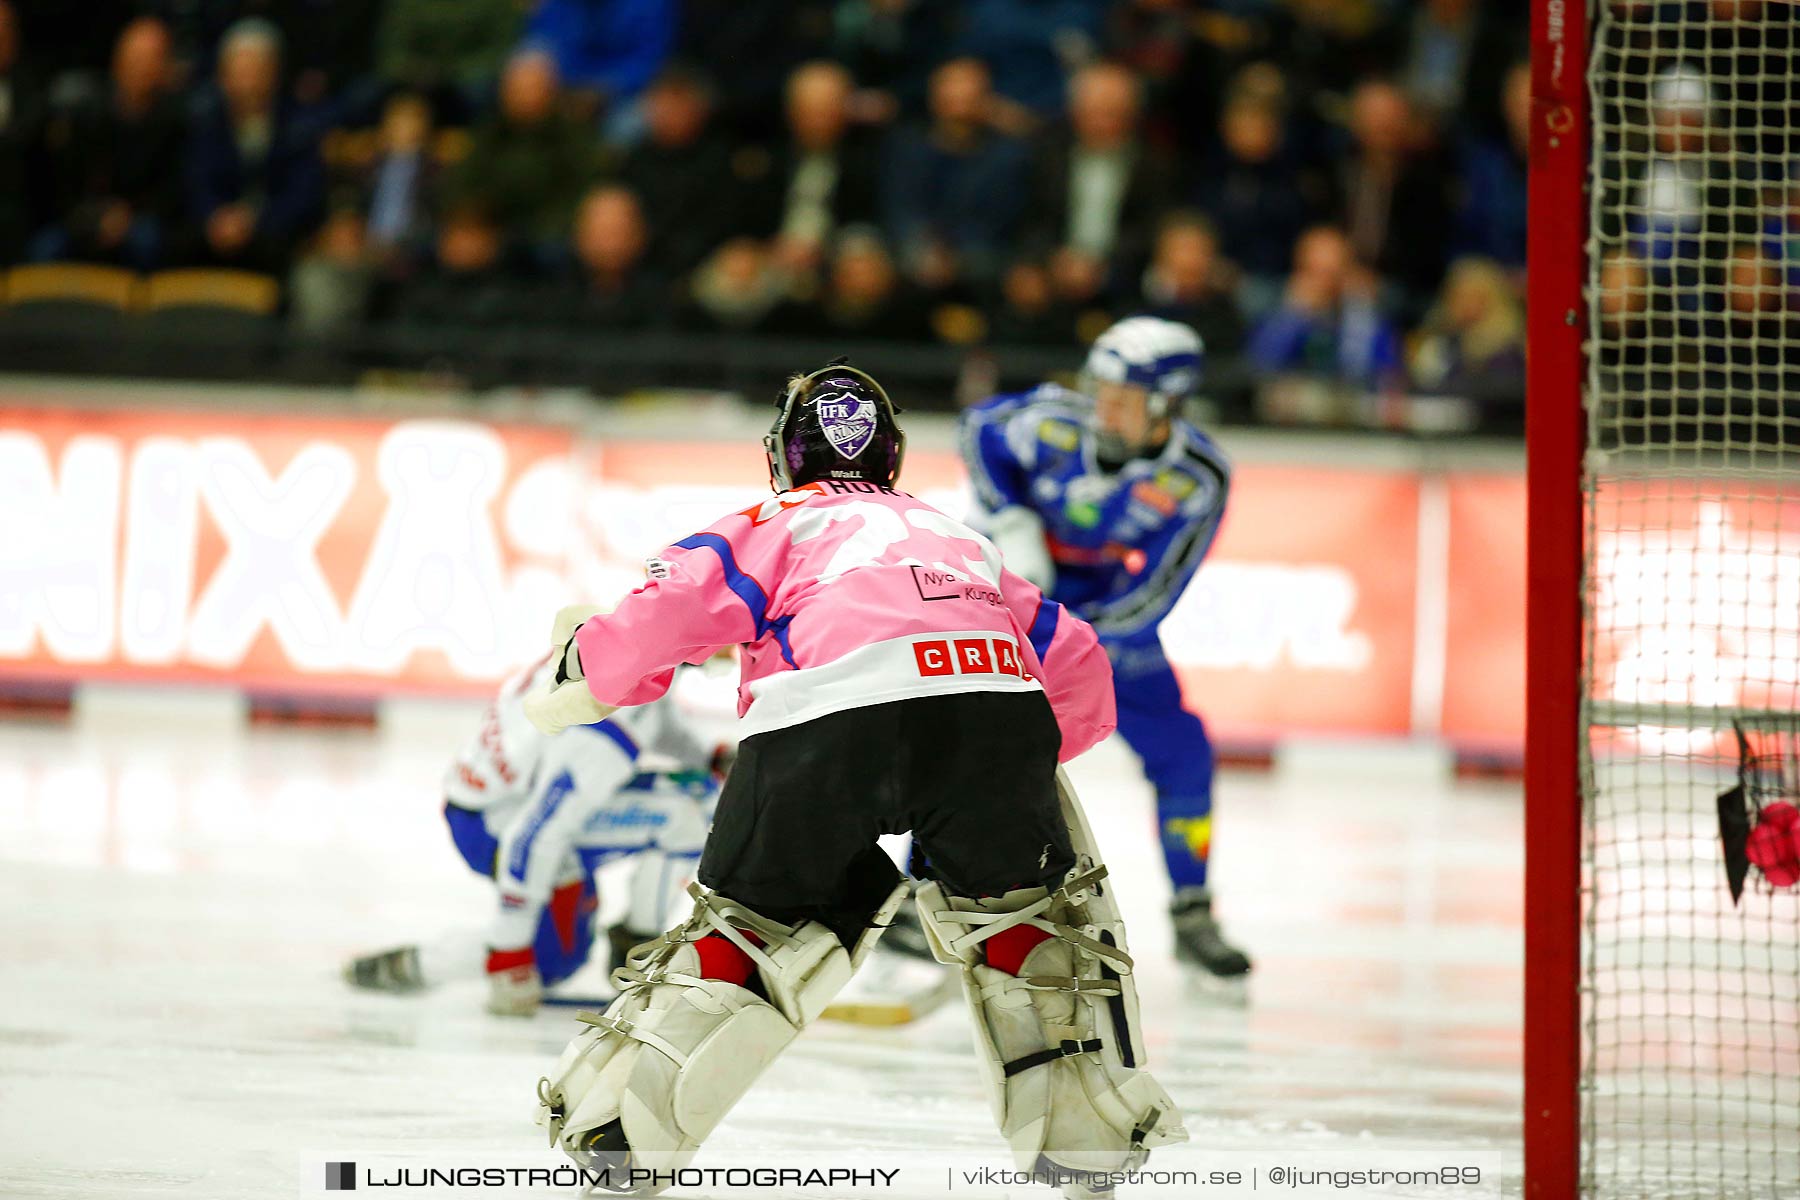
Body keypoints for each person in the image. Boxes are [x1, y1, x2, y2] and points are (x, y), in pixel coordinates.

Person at [525, 362, 1185, 1191]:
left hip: (823, 722)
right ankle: (1083, 1150)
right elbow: (1078, 659)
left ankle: (619, 1138)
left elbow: (669, 614)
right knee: (1026, 928)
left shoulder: (768, 522)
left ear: (781, 454)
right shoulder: (961, 540)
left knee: (751, 936)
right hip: (990, 713)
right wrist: (1016, 782)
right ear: (893, 456)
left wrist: (579, 672)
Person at [960, 316, 1252, 978]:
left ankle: (1192, 911)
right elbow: (976, 427)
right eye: (1100, 389)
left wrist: (1072, 636)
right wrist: (1011, 516)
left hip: (1106, 625)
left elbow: (1159, 591)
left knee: (1184, 756)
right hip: (1020, 608)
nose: (1103, 408)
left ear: (1166, 402)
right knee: (977, 751)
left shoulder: (1197, 478)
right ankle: (926, 895)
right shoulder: (1050, 422)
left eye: (1122, 397)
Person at [345, 653, 728, 1017]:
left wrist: (707, 755)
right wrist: (509, 951)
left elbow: (651, 714)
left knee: (562, 952)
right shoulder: (604, 733)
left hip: (488, 802)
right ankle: (636, 943)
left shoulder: (629, 642)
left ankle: (415, 965)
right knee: (692, 809)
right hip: (504, 824)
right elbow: (534, 833)